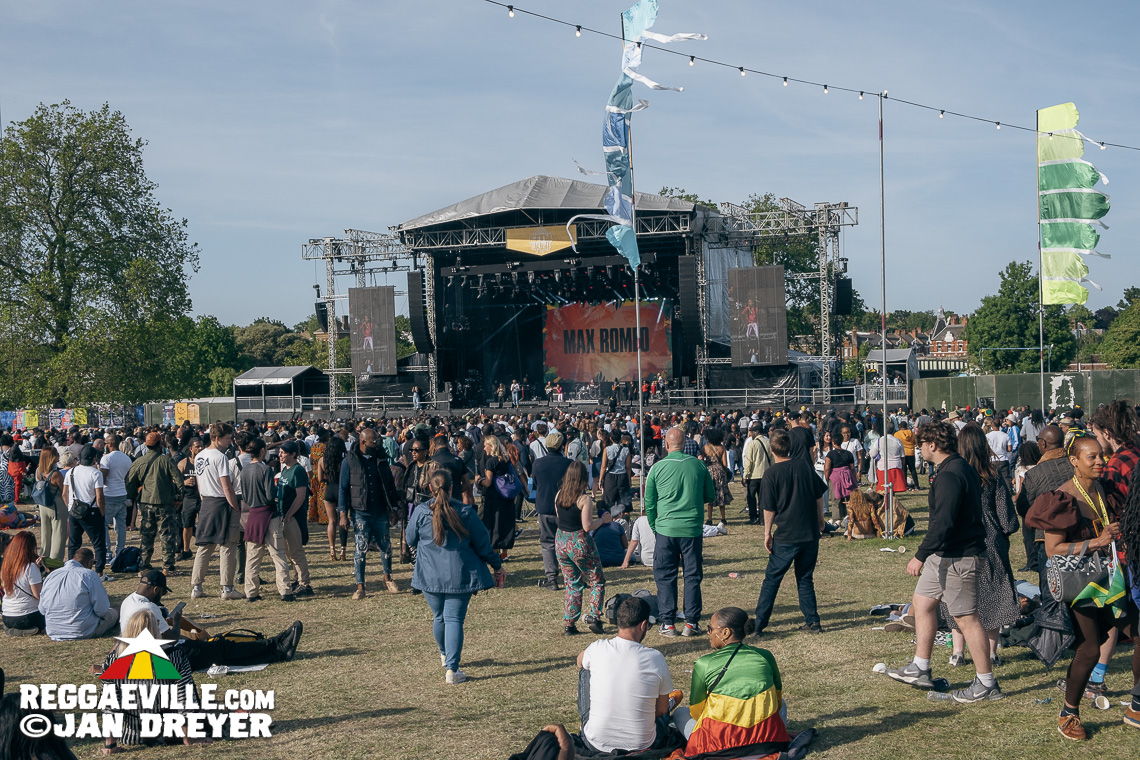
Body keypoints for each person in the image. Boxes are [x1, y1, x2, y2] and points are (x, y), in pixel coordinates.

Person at [1027, 434, 1140, 740]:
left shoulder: (1101, 489)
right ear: (1074, 461)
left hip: (1110, 578)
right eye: (1092, 457)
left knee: (1138, 633)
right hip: (1083, 584)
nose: (1100, 462)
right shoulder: (1062, 497)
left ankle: (1137, 707)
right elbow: (1053, 549)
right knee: (1089, 649)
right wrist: (1097, 541)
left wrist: (1111, 534)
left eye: (1102, 456)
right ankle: (1068, 713)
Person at [887, 421, 1003, 703]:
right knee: (922, 603)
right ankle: (920, 667)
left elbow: (943, 523)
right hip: (946, 554)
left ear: (933, 445)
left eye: (921, 445)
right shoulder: (958, 468)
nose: (919, 451)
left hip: (958, 556)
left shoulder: (951, 475)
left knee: (966, 618)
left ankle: (986, 684)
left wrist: (920, 555)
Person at [406, 469, 504, 684]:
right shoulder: (465, 512)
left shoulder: (421, 512)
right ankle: (452, 668)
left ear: (430, 488)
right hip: (459, 574)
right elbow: (483, 545)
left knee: (439, 616)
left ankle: (445, 655)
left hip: (429, 575)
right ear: (452, 487)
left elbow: (410, 538)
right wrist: (497, 566)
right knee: (453, 620)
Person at [943, 425, 1020, 669]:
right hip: (991, 538)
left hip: (961, 539)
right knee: (993, 592)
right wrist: (1006, 530)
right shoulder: (993, 474)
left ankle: (958, 651)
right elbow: (1006, 515)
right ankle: (992, 652)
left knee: (958, 592)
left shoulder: (954, 473)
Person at [673, 607, 791, 757]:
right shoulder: (765, 656)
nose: (708, 633)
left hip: (718, 747)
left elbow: (696, 712)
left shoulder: (704, 663)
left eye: (710, 628)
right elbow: (778, 700)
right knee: (782, 703)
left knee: (680, 713)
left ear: (726, 632)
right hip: (769, 743)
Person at [752, 429, 828, 635]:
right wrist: (821, 519)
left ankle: (759, 624)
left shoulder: (771, 474)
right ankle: (813, 621)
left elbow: (769, 508)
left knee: (772, 579)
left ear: (771, 449)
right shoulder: (804, 466)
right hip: (809, 532)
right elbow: (818, 494)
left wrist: (767, 533)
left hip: (786, 535)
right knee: (805, 577)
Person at [576, 596, 675, 753]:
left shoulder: (597, 648)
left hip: (594, 742)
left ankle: (589, 723)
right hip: (643, 744)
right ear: (643, 625)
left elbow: (579, 661)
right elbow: (661, 710)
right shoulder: (655, 658)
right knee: (665, 710)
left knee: (586, 667)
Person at [645, 427, 716, 637]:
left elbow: (650, 503)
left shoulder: (657, 468)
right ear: (685, 444)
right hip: (691, 528)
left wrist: (654, 526)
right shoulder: (698, 465)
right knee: (692, 575)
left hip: (666, 529)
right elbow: (710, 495)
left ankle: (668, 622)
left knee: (665, 575)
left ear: (666, 445)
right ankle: (691, 623)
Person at [339, 428, 401, 600]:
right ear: (363, 441)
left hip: (381, 510)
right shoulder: (349, 461)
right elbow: (343, 489)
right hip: (360, 511)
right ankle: (360, 586)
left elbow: (390, 485)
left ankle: (387, 577)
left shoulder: (380, 459)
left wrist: (394, 508)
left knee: (386, 546)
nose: (376, 444)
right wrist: (343, 513)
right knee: (361, 549)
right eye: (373, 441)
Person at [554, 461, 608, 636]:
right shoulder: (584, 499)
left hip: (561, 541)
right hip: (579, 542)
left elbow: (559, 517)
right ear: (583, 479)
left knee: (572, 583)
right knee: (596, 579)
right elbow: (587, 526)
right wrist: (603, 521)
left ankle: (569, 623)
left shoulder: (558, 495)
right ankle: (594, 616)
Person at [190, 423, 243, 601]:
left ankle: (196, 586)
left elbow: (199, 483)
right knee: (228, 545)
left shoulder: (199, 456)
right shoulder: (220, 457)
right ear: (218, 438)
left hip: (206, 502)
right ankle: (227, 588)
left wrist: (204, 499)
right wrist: (235, 506)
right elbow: (226, 486)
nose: (230, 442)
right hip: (222, 503)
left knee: (204, 546)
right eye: (228, 439)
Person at [238, 439, 293, 602]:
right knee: (278, 554)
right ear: (262, 450)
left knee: (253, 557)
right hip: (269, 514)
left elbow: (245, 497)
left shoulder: (245, 470)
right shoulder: (266, 470)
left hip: (253, 515)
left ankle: (251, 591)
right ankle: (285, 590)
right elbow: (270, 495)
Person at [125, 431, 183, 576]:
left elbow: (129, 482)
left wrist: (133, 496)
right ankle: (168, 567)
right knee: (167, 534)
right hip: (164, 503)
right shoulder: (166, 461)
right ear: (160, 444)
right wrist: (180, 497)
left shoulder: (139, 461)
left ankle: (144, 565)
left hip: (145, 502)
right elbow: (180, 481)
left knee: (147, 535)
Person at [38, 548, 118, 640]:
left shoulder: (51, 576)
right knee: (116, 610)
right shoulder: (89, 575)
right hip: (83, 630)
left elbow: (42, 609)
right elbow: (102, 610)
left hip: (53, 630)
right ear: (90, 562)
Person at [63, 444, 109, 579]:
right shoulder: (96, 473)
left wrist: (69, 507)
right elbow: (100, 496)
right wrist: (102, 512)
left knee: (73, 542)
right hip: (92, 510)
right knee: (99, 543)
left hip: (73, 511)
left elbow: (64, 494)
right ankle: (99, 571)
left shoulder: (71, 472)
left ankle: (70, 569)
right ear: (94, 458)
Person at [277, 441, 313, 597]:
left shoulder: (298, 471)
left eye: (283, 452)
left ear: (293, 454)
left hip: (294, 517)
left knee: (296, 551)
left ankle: (305, 584)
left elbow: (301, 497)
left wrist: (289, 515)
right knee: (289, 552)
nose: (280, 455)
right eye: (279, 452)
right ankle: (298, 579)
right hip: (284, 516)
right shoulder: (285, 469)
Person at [479, 434, 518, 561]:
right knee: (505, 523)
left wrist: (478, 480)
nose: (484, 449)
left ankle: (494, 553)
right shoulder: (505, 459)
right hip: (506, 495)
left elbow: (488, 482)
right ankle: (504, 553)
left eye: (486, 446)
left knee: (494, 524)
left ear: (491, 446)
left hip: (494, 496)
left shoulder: (491, 461)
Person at [1, 532, 45, 635]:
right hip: (28, 615)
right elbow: (38, 595)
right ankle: (33, 630)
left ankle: (14, 630)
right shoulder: (30, 567)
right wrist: (40, 573)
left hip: (7, 616)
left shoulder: (5, 566)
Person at [99, 434, 133, 565]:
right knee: (121, 526)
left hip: (109, 494)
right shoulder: (127, 458)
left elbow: (103, 478)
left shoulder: (106, 459)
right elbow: (127, 477)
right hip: (122, 493)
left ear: (110, 444)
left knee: (103, 525)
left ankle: (107, 553)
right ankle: (120, 552)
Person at [317, 435, 349, 560]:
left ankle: (332, 549)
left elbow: (320, 479)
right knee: (343, 520)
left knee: (331, 521)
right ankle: (343, 550)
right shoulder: (344, 461)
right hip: (342, 491)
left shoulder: (322, 460)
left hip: (329, 490)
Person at [34, 447, 67, 562]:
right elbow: (64, 491)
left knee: (45, 535)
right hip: (57, 507)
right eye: (57, 454)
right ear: (52, 457)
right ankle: (55, 561)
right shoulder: (56, 474)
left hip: (43, 506)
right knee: (58, 535)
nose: (58, 456)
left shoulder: (38, 471)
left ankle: (43, 557)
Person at [822, 429, 857, 522]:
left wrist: (827, 477)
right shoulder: (848, 453)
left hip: (835, 477)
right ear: (841, 441)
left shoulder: (830, 454)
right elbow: (852, 468)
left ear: (833, 442)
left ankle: (837, 517)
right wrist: (855, 479)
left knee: (835, 498)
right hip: (847, 475)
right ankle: (849, 514)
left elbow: (827, 468)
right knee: (848, 496)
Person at [700, 429, 733, 527]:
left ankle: (709, 519)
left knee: (710, 495)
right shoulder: (722, 448)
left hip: (710, 471)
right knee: (721, 494)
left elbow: (701, 460)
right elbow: (725, 463)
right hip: (720, 472)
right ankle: (723, 518)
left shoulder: (705, 448)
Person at [742, 423, 773, 525]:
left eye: (752, 433)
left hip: (754, 475)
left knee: (751, 497)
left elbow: (749, 461)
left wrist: (745, 475)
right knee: (763, 497)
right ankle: (763, 518)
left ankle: (753, 517)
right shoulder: (768, 442)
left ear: (757, 432)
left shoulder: (752, 444)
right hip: (766, 474)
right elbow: (772, 459)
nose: (751, 435)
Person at [869, 420, 906, 494]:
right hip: (896, 467)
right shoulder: (898, 441)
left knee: (883, 490)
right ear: (893, 430)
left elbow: (872, 454)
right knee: (893, 489)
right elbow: (902, 457)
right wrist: (902, 467)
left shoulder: (879, 441)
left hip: (883, 467)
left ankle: (885, 503)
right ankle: (893, 502)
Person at [894, 420, 921, 489]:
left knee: (904, 469)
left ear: (900, 427)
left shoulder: (897, 434)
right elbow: (915, 442)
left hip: (902, 453)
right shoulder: (911, 433)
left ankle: (905, 485)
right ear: (906, 426)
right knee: (912, 469)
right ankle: (916, 485)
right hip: (911, 452)